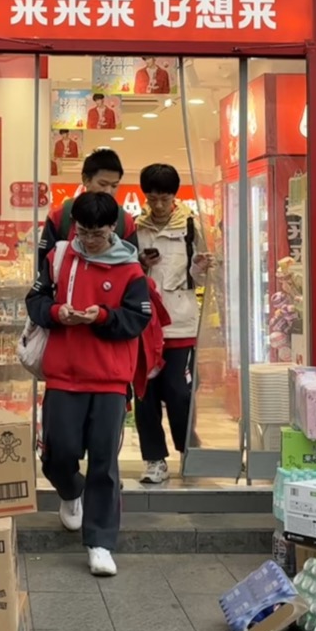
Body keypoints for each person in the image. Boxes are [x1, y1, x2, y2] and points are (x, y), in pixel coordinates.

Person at [26, 191, 152, 576]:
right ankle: (70, 491)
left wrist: (101, 317)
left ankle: (100, 543)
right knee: (57, 455)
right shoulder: (59, 256)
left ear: (113, 228)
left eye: (97, 233)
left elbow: (137, 319)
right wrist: (55, 312)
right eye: (83, 231)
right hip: (63, 374)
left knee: (104, 461)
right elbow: (35, 300)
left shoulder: (131, 269)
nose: (89, 240)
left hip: (110, 379)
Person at [134, 163, 210, 484]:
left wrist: (201, 267)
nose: (158, 205)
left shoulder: (191, 227)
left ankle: (188, 450)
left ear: (174, 196)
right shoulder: (136, 228)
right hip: (144, 325)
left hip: (180, 324)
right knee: (145, 395)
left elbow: (202, 277)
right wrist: (140, 263)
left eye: (164, 198)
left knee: (179, 392)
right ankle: (154, 460)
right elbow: (125, 274)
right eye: (152, 198)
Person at [39, 149, 138, 267]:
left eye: (114, 185)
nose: (108, 191)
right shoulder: (61, 215)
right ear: (86, 179)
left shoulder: (124, 220)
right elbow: (44, 261)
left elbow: (131, 262)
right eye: (102, 184)